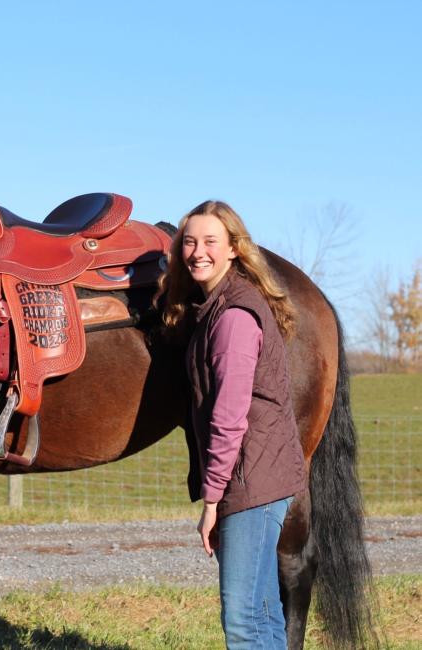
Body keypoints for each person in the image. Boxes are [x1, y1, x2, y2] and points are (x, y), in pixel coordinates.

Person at [156, 200, 307, 649]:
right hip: (261, 474)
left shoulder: (233, 318)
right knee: (263, 612)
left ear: (234, 250)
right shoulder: (220, 306)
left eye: (210, 242)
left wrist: (212, 499)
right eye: (189, 242)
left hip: (249, 481)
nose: (197, 252)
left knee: (243, 619)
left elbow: (228, 417)